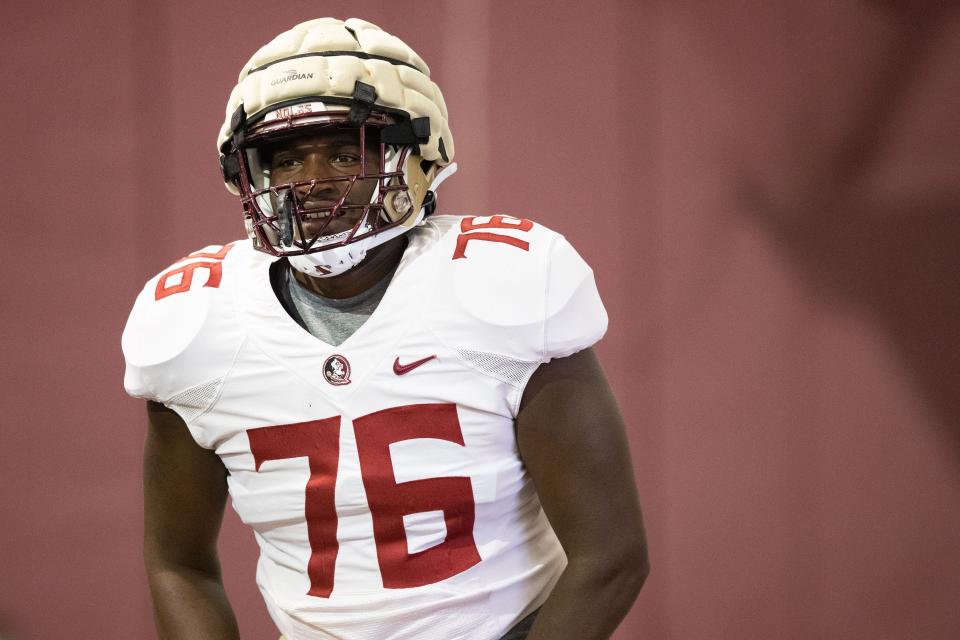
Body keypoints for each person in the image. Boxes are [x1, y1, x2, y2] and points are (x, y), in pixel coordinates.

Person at [122, 17, 648, 640]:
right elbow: (179, 564)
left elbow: (610, 556)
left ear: (416, 156)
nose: (311, 182)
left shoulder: (498, 286)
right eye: (286, 159)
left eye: (346, 152)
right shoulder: (195, 322)